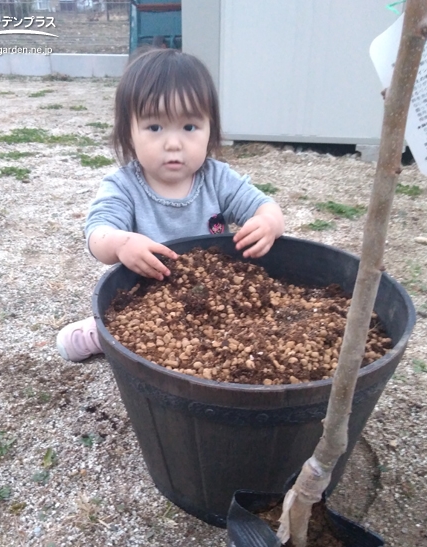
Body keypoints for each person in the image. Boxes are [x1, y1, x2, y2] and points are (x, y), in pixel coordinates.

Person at [56, 48, 285, 362]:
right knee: (133, 327)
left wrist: (269, 222)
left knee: (243, 331)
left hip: (219, 292)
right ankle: (104, 334)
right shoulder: (125, 185)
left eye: (189, 127)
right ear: (129, 134)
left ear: (210, 130)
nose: (174, 143)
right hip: (150, 294)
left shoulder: (217, 178)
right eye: (154, 128)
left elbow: (264, 207)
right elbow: (97, 234)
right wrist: (122, 242)